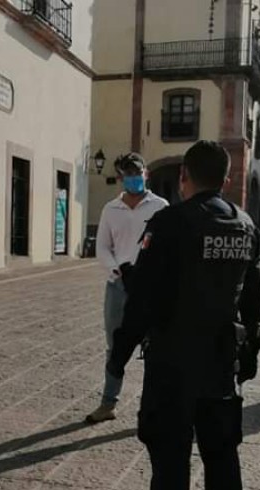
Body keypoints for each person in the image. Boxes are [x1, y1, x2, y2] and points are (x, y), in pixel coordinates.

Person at [106, 141, 260, 490]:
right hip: (220, 361)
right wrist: (250, 349)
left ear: (184, 178)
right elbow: (253, 296)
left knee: (171, 456)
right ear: (227, 179)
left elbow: (143, 301)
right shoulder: (244, 225)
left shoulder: (171, 223)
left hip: (174, 363)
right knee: (220, 450)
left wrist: (118, 355)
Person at [85, 153, 168, 424]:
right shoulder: (111, 209)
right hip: (118, 285)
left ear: (146, 173)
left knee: (154, 347)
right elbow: (102, 247)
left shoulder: (160, 206)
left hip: (151, 289)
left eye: (138, 172)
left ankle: (154, 405)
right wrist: (118, 270)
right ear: (121, 177)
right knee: (115, 346)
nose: (134, 178)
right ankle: (108, 403)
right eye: (128, 174)